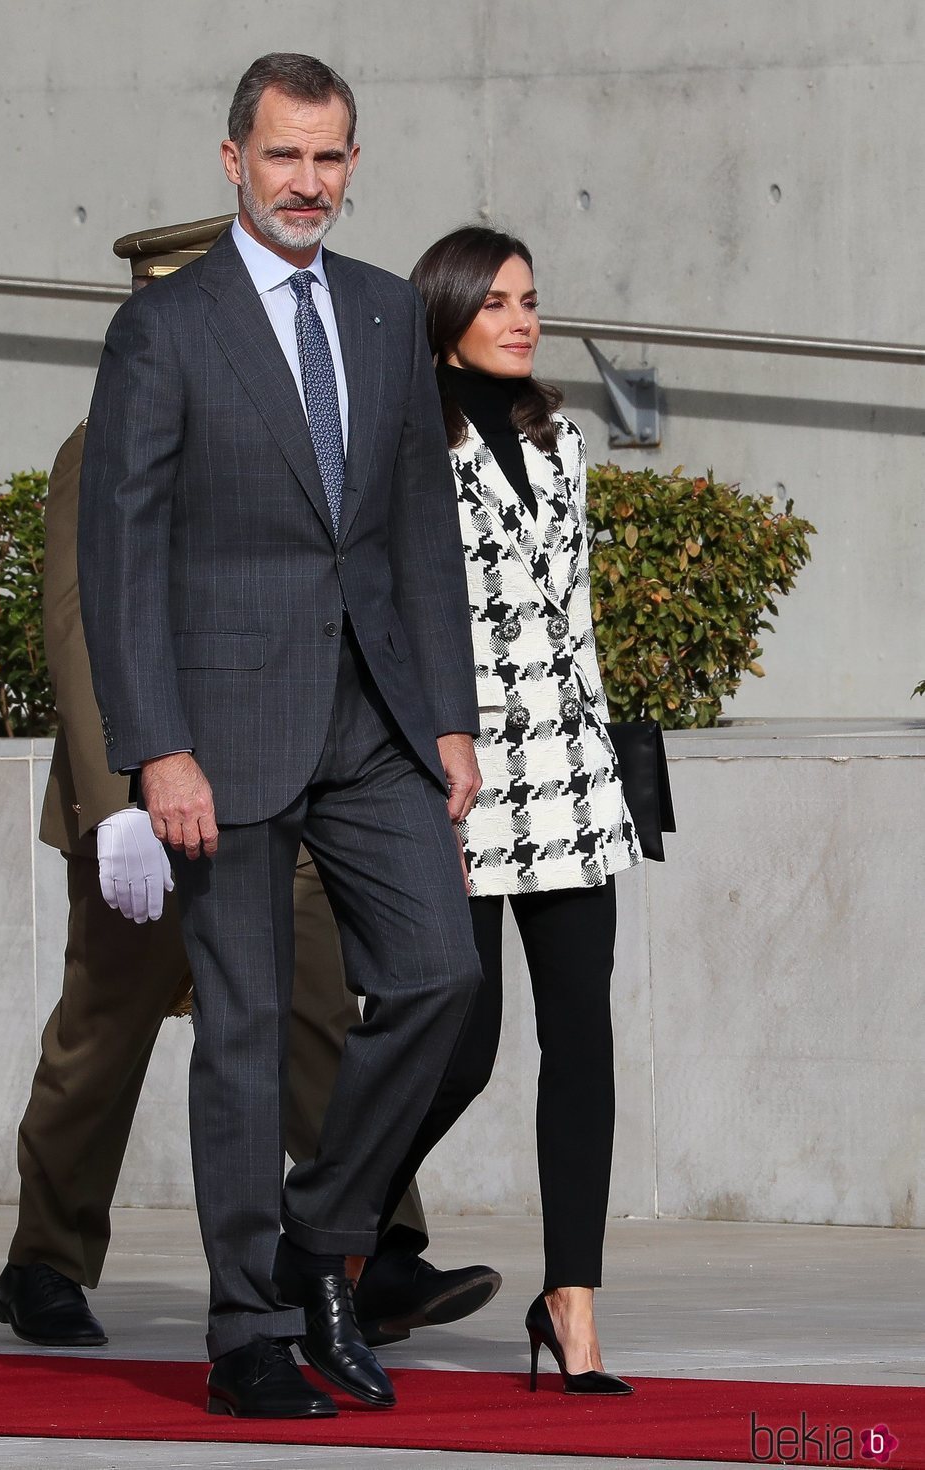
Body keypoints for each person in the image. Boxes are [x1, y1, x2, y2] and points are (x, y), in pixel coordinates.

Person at [0, 216, 498, 1360]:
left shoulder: (324, 384)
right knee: (102, 1037)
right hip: (145, 794)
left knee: (318, 1013)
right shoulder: (100, 440)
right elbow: (85, 626)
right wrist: (118, 793)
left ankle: (370, 1249)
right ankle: (45, 1259)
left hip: (284, 772)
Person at [77, 55, 484, 1420]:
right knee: (245, 1036)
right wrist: (155, 746)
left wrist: (447, 715)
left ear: (353, 163)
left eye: (331, 158)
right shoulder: (167, 331)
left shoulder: (380, 314)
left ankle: (321, 1238)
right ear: (233, 160)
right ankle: (247, 1328)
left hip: (372, 721)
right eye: (283, 157)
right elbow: (119, 551)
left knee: (439, 975)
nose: (308, 182)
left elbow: (420, 532)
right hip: (225, 733)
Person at [382, 225, 644, 1395]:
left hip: (570, 775)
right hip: (461, 774)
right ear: (443, 314)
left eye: (529, 299)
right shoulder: (402, 443)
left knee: (579, 1039)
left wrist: (613, 765)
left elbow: (575, 616)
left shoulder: (562, 437)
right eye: (493, 301)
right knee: (461, 1043)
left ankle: (571, 1307)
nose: (520, 318)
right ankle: (326, 1229)